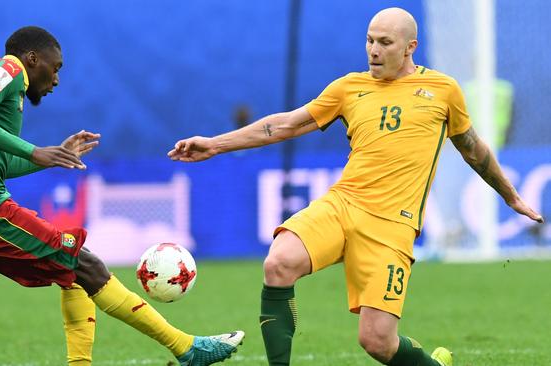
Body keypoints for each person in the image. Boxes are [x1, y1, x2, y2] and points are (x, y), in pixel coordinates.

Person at [168, 8, 544, 366]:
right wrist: (216, 144)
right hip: (343, 205)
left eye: (385, 43)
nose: (374, 51)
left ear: (411, 47)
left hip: (392, 226)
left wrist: (510, 196)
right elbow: (286, 125)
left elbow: (473, 149)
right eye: (369, 41)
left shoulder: (443, 90)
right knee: (278, 263)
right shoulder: (349, 87)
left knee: (377, 342)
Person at [0, 26, 244, 366]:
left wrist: (52, 156)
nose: (56, 80)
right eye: (56, 68)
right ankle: (186, 348)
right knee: (85, 262)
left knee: (73, 270)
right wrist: (35, 151)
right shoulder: (8, 70)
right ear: (32, 58)